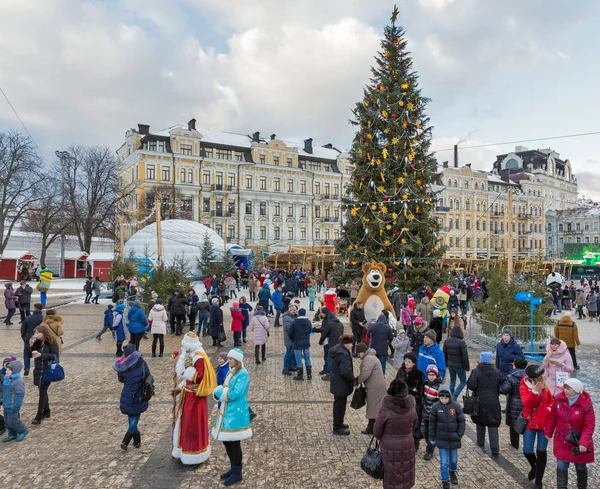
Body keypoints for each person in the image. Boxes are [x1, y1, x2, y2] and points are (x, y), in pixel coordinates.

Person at [172, 332, 217, 464]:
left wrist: (185, 372)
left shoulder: (199, 357)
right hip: (188, 395)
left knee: (193, 424)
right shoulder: (190, 355)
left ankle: (193, 452)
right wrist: (180, 387)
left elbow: (199, 377)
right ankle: (183, 449)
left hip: (196, 397)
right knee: (185, 423)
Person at [212, 348, 252, 486]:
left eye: (231, 359)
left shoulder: (243, 374)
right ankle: (233, 467)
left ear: (237, 360)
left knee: (234, 442)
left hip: (235, 413)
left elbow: (235, 393)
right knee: (226, 441)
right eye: (228, 358)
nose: (228, 361)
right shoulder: (232, 370)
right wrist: (221, 390)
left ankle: (237, 472)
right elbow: (225, 386)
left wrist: (219, 391)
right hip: (227, 411)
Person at [545, 378, 595, 489]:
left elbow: (589, 425)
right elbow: (553, 417)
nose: (565, 390)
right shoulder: (559, 399)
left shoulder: (586, 404)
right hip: (562, 441)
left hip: (578, 443)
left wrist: (583, 443)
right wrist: (548, 432)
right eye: (565, 387)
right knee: (561, 466)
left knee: (581, 467)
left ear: (576, 390)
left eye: (568, 388)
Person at [374, 378, 418, 489]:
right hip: (408, 444)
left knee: (391, 476)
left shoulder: (386, 408)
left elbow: (377, 430)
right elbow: (415, 425)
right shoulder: (411, 407)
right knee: (406, 474)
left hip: (390, 447)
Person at [520, 364, 554, 488]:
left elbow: (551, 401)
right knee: (527, 450)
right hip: (530, 422)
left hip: (544, 423)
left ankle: (539, 478)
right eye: (540, 376)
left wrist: (549, 409)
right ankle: (534, 467)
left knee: (541, 452)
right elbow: (527, 404)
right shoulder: (524, 385)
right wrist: (534, 391)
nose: (543, 378)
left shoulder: (544, 385)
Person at [429, 385, 466, 489]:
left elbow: (462, 421)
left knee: (453, 460)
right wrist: (432, 436)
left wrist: (460, 434)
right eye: (441, 398)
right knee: (443, 461)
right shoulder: (435, 407)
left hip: (454, 439)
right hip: (442, 439)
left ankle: (452, 472)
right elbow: (432, 423)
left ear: (449, 396)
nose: (443, 400)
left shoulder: (456, 406)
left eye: (445, 397)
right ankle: (445, 479)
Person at [113, 344, 149, 450]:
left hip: (128, 392)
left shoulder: (122, 366)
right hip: (139, 392)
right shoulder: (142, 362)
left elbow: (121, 380)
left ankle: (136, 441)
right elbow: (147, 374)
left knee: (131, 414)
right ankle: (127, 440)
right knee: (136, 415)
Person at [467, 351, 501, 455]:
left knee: (480, 421)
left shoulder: (476, 371)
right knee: (492, 423)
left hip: (479, 401)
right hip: (493, 401)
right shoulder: (496, 371)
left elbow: (471, 385)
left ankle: (480, 442)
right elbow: (500, 384)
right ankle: (494, 447)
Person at [29, 324, 60, 425]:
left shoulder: (51, 341)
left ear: (43, 333)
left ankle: (39, 415)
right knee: (42, 390)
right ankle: (47, 410)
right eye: (35, 333)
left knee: (42, 390)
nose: (36, 334)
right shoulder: (36, 343)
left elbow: (55, 356)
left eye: (38, 332)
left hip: (47, 370)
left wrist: (41, 354)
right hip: (38, 370)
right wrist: (30, 345)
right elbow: (30, 355)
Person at [355, 342, 386, 435]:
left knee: (374, 407)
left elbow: (365, 374)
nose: (358, 355)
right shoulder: (370, 357)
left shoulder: (369, 359)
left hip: (375, 387)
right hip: (374, 386)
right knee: (374, 407)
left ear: (363, 352)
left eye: (358, 353)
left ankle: (372, 428)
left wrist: (357, 381)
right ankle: (372, 427)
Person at [395, 352, 425, 450]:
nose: (406, 363)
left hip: (414, 405)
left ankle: (414, 444)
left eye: (409, 361)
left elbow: (420, 392)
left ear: (414, 363)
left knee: (415, 425)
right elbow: (395, 386)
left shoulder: (419, 374)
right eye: (405, 361)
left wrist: (409, 392)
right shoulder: (401, 371)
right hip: (401, 403)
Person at [499, 357, 528, 449]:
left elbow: (504, 390)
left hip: (513, 403)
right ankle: (527, 445)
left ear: (515, 365)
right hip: (526, 402)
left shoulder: (511, 376)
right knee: (526, 424)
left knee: (513, 425)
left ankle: (514, 444)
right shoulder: (529, 377)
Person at [329, 334, 354, 435]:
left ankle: (339, 423)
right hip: (341, 384)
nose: (352, 345)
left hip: (337, 382)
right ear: (346, 343)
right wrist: (352, 380)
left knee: (339, 405)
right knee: (339, 406)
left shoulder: (338, 350)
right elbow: (345, 372)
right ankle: (337, 427)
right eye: (350, 343)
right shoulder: (343, 354)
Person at [1, 359, 28, 442]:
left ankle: (23, 430)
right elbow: (4, 392)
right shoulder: (7, 380)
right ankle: (12, 434)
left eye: (9, 370)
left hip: (13, 405)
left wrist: (17, 406)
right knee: (7, 421)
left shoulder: (18, 382)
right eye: (7, 370)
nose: (7, 372)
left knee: (13, 420)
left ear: (14, 371)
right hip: (6, 404)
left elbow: (20, 395)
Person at [314, 309, 344, 380]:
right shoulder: (340, 324)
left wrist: (320, 342)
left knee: (329, 358)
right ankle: (334, 373)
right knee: (335, 359)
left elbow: (324, 334)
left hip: (330, 344)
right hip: (339, 344)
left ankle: (329, 374)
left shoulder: (329, 324)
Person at [421, 364, 443, 461]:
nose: (431, 377)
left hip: (433, 415)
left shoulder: (439, 387)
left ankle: (429, 451)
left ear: (436, 375)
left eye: (433, 375)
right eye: (429, 375)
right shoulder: (425, 384)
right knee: (424, 431)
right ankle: (431, 444)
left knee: (431, 433)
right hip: (425, 413)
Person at [443, 325, 470, 399]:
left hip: (450, 364)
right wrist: (467, 367)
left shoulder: (447, 341)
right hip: (459, 366)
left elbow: (444, 354)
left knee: (452, 381)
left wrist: (445, 364)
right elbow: (465, 356)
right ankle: (454, 396)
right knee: (463, 381)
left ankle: (452, 396)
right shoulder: (462, 342)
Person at [20, 303, 43, 376]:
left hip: (28, 338)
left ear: (34, 308)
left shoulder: (28, 318)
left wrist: (24, 338)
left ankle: (27, 368)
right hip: (39, 339)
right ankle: (37, 367)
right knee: (37, 353)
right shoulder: (43, 318)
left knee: (26, 353)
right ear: (41, 309)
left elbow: (23, 330)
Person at [289, 308, 312, 381]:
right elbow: (310, 331)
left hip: (297, 342)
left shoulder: (294, 322)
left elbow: (290, 333)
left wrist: (293, 339)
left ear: (299, 313)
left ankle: (300, 375)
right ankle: (309, 374)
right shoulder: (308, 322)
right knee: (307, 358)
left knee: (298, 359)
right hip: (306, 342)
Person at [281, 305, 298, 374]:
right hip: (289, 339)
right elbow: (287, 328)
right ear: (290, 310)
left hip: (292, 338)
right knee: (288, 354)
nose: (295, 311)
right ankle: (285, 368)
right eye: (293, 310)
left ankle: (290, 366)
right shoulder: (287, 318)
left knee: (291, 353)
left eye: (295, 310)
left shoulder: (293, 316)